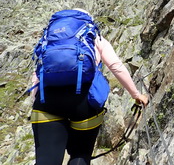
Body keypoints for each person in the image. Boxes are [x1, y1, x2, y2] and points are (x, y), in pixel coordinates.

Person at [30, 9, 148, 165]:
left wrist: (36, 100)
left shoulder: (49, 40)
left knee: (46, 160)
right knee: (81, 155)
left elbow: (37, 74)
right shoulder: (92, 36)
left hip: (47, 103)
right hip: (84, 103)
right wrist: (136, 94)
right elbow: (115, 66)